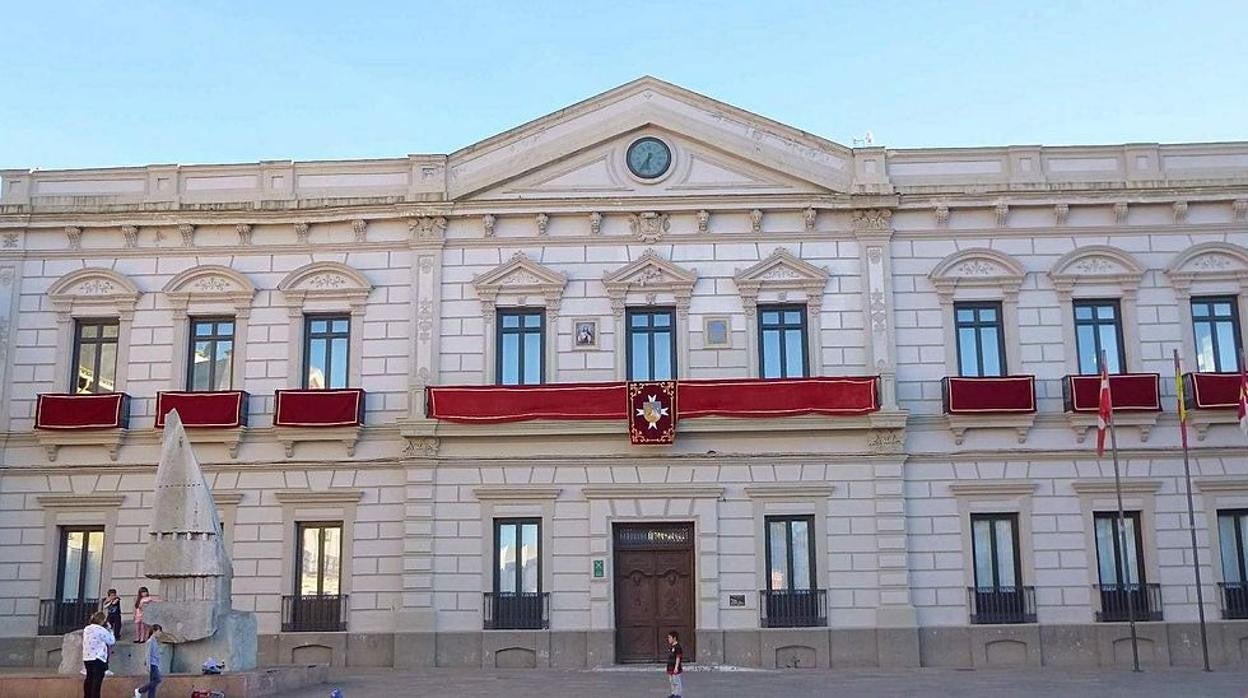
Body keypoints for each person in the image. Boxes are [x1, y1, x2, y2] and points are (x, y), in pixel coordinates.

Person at [82, 610, 115, 698]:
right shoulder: (101, 630)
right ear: (102, 621)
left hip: (87, 657)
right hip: (98, 658)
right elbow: (111, 641)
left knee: (89, 679)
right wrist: (110, 630)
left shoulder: (87, 629)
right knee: (96, 682)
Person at [133, 624, 163, 698]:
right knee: (158, 679)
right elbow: (148, 654)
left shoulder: (155, 641)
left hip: (155, 663)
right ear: (154, 631)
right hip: (152, 664)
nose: (160, 633)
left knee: (153, 684)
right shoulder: (150, 641)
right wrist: (148, 665)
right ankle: (140, 690)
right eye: (159, 631)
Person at [665, 630, 684, 698]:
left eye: (670, 637)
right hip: (670, 667)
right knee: (672, 681)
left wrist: (676, 667)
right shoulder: (671, 646)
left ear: (674, 638)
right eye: (668, 637)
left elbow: (678, 657)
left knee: (676, 681)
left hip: (675, 667)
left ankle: (678, 694)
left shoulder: (678, 647)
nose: (668, 639)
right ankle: (673, 693)